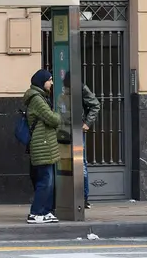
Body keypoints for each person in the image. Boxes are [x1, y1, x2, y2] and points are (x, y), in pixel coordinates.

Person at [24, 69, 61, 224]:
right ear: (42, 81)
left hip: (47, 145)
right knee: (45, 181)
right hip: (42, 145)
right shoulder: (37, 99)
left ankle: (45, 211)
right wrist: (59, 115)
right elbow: (53, 119)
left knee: (49, 180)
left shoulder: (41, 97)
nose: (52, 83)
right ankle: (36, 212)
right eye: (50, 79)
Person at [60, 71, 100, 209]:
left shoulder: (81, 88)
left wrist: (87, 123)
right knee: (66, 162)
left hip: (75, 129)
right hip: (63, 129)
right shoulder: (61, 89)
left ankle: (83, 197)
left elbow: (95, 104)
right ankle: (71, 195)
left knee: (80, 162)